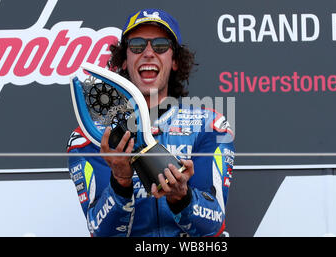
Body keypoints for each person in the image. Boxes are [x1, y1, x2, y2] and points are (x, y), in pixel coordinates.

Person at [67, 8, 235, 237]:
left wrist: (182, 197)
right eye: (137, 45)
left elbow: (214, 225)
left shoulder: (210, 125)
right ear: (124, 61)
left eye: (160, 46)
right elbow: (100, 231)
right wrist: (120, 180)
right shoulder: (90, 135)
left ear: (175, 60)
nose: (148, 53)